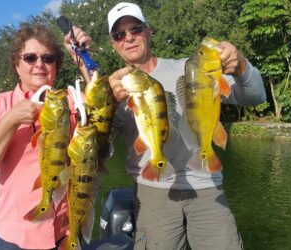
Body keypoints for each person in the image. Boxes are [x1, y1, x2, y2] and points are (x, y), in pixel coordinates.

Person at [80, 2, 266, 250]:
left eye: (135, 29)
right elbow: (98, 143)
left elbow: (254, 96)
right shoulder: (115, 88)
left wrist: (241, 66)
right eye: (119, 35)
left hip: (206, 187)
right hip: (152, 191)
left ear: (149, 31)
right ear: (114, 44)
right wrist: (103, 100)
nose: (129, 38)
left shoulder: (190, 69)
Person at [0, 24, 91, 249]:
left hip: (65, 234)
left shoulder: (71, 101)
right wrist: (10, 120)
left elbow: (105, 97)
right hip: (16, 238)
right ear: (16, 64)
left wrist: (79, 56)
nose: (40, 64)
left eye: (48, 58)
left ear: (56, 66)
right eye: (30, 57)